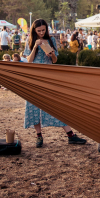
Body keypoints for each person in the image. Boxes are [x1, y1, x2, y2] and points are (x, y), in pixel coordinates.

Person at [25, 19, 87, 147]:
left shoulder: (52, 40)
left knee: (55, 104)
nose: (42, 33)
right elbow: (29, 61)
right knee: (33, 106)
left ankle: (70, 135)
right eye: (39, 31)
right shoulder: (30, 41)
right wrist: (36, 46)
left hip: (48, 77)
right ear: (34, 30)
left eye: (43, 30)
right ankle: (39, 136)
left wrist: (52, 54)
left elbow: (54, 60)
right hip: (34, 78)